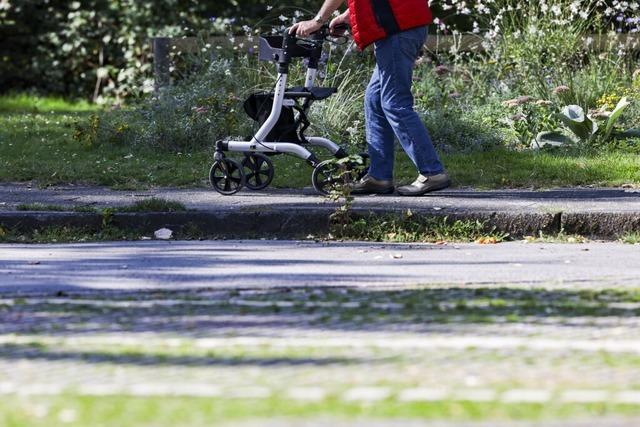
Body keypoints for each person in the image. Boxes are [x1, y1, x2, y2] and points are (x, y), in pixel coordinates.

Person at [290, 0, 450, 196]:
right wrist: (347, 16)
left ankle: (432, 172)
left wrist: (317, 20)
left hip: (398, 30)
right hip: (402, 26)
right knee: (374, 101)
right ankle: (379, 177)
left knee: (395, 103)